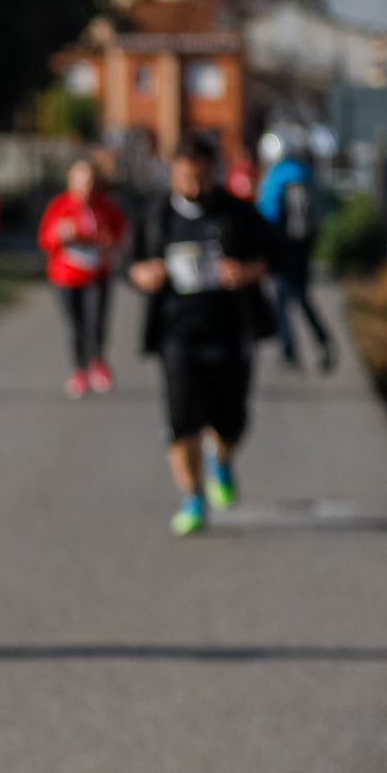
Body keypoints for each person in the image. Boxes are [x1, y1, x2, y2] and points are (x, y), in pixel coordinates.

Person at [130, 132, 273, 537]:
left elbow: (272, 255)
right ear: (173, 173)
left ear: (215, 174)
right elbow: (131, 262)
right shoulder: (156, 215)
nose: (192, 185)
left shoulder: (239, 214)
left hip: (230, 328)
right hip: (176, 331)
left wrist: (244, 272)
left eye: (201, 176)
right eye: (184, 176)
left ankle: (222, 461)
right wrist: (143, 274)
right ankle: (192, 499)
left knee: (232, 422)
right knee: (181, 421)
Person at [39, 154, 128, 400]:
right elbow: (45, 239)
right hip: (66, 275)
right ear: (71, 180)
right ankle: (79, 370)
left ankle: (98, 361)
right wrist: (60, 236)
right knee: (76, 324)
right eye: (80, 178)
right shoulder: (59, 206)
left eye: (89, 178)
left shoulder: (105, 207)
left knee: (97, 319)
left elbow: (120, 233)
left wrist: (108, 242)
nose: (85, 184)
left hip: (98, 272)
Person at [255, 131, 336, 372]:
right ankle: (322, 341)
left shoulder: (275, 177)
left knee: (281, 298)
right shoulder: (306, 173)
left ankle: (289, 350)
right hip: (303, 247)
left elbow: (265, 214)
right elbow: (322, 212)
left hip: (282, 247)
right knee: (301, 297)